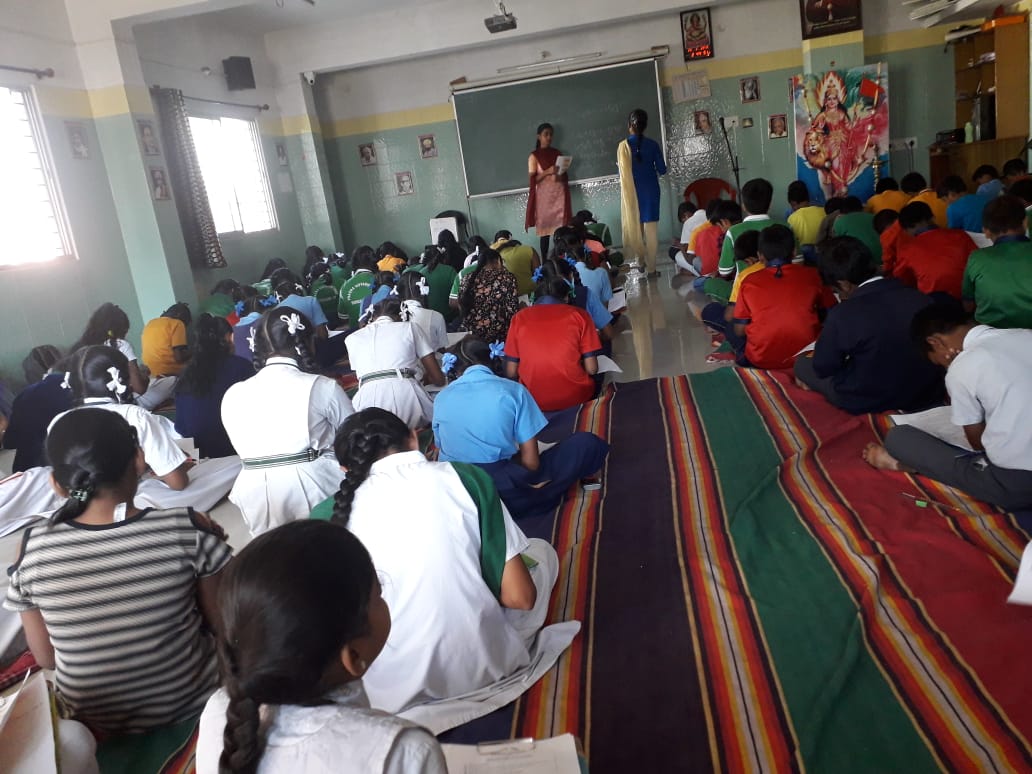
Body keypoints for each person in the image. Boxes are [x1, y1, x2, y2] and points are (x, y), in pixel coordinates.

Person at [327, 409, 576, 726]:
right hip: (482, 669)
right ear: (415, 438)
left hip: (384, 695)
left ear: (344, 469)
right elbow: (521, 597)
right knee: (541, 552)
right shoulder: (464, 477)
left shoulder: (327, 515)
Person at [4, 408, 231, 733]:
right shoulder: (185, 527)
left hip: (92, 717)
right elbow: (223, 625)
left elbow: (46, 659)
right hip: (192, 699)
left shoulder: (31, 548)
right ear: (139, 459)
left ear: (56, 483)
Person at [196, 520, 447, 774]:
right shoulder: (406, 752)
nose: (382, 598)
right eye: (378, 594)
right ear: (353, 656)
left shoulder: (218, 712)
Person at [863, 304, 1032, 511]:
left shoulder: (963, 367)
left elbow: (977, 443)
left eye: (939, 363)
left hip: (1020, 484)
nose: (945, 366)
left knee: (899, 438)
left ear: (935, 342)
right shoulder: (1025, 335)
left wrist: (955, 371)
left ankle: (912, 465)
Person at [433, 337, 610, 518]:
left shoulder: (441, 397)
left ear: (454, 368)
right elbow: (531, 464)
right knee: (586, 444)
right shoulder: (514, 391)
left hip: (455, 496)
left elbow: (442, 449)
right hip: (501, 496)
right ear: (493, 360)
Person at [222, 310, 354, 536]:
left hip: (254, 493)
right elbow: (352, 437)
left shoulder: (233, 393)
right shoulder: (322, 386)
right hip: (312, 485)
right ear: (307, 342)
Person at [794, 237, 943, 413]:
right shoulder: (921, 299)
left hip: (868, 399)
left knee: (803, 364)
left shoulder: (844, 314)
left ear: (844, 285)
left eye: (836, 291)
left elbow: (823, 367)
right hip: (925, 394)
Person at [731, 225, 835, 368]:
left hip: (761, 359)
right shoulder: (813, 275)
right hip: (807, 358)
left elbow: (739, 330)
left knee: (727, 324)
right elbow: (832, 315)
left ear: (760, 255)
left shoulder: (749, 281)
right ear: (794, 252)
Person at [504, 274, 603, 412]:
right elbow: (592, 369)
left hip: (533, 400)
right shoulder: (580, 315)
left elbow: (511, 372)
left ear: (534, 299)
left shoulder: (518, 318)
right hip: (576, 396)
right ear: (566, 297)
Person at [346, 297, 444, 428]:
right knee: (441, 406)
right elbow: (438, 379)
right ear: (401, 316)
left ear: (372, 317)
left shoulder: (352, 338)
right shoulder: (410, 327)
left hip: (365, 403)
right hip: (405, 397)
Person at [174, 314, 253, 459]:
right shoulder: (241, 367)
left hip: (200, 455)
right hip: (236, 451)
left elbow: (181, 427)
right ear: (230, 338)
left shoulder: (186, 374)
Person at [962, 195, 1032, 329]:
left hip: (992, 331)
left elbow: (968, 305)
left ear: (986, 232)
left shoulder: (976, 258)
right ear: (1025, 223)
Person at [1, 354, 75, 471]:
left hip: (31, 467)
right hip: (70, 464)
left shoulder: (26, 394)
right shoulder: (81, 393)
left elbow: (11, 442)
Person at [618, 109, 668, 277]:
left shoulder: (623, 146)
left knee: (636, 228)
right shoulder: (653, 145)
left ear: (629, 125)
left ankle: (639, 262)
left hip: (632, 193)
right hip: (651, 192)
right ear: (645, 126)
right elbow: (662, 170)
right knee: (651, 232)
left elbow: (622, 173)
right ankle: (652, 269)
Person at [893, 201, 976, 300]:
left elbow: (900, 279)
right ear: (933, 218)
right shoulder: (961, 235)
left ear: (908, 228)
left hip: (934, 302)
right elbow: (978, 263)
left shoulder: (908, 249)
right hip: (970, 298)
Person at [70, 302, 151, 404]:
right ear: (120, 330)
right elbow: (139, 388)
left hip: (85, 406)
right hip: (118, 404)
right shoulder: (120, 344)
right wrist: (144, 375)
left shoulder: (78, 348)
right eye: (125, 332)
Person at [700, 230, 761, 343]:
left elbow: (729, 316)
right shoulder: (789, 269)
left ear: (750, 261)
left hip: (758, 335)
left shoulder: (745, 276)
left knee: (711, 311)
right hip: (787, 329)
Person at [718, 178, 787, 279]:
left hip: (745, 284)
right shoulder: (786, 227)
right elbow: (798, 262)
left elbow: (724, 271)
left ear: (743, 206)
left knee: (705, 282)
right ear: (770, 204)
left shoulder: (733, 231)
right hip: (780, 282)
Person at [525, 123, 572, 258]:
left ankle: (562, 258)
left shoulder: (557, 153)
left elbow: (562, 174)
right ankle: (545, 261)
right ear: (538, 136)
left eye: (551, 134)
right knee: (545, 233)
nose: (549, 137)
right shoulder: (534, 156)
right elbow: (533, 180)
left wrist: (561, 172)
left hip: (559, 196)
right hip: (544, 199)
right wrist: (548, 172)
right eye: (546, 134)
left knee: (561, 231)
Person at [458, 247, 520, 344]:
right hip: (498, 337)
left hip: (472, 337)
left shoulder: (466, 278)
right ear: (498, 261)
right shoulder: (507, 277)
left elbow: (461, 304)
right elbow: (512, 310)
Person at [396, 271, 448, 354]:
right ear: (425, 290)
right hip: (432, 361)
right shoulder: (436, 316)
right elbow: (441, 349)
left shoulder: (394, 316)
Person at [407, 242, 458, 321]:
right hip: (448, 316)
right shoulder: (450, 270)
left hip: (428, 316)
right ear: (443, 257)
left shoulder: (420, 273)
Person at [141, 302, 191, 378]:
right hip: (169, 373)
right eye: (186, 323)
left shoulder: (150, 323)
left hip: (151, 374)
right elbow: (179, 357)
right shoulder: (177, 323)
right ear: (179, 315)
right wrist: (196, 350)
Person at [832, 196, 882, 264]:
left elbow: (836, 243)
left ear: (842, 210)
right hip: (881, 259)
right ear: (861, 207)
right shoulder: (874, 217)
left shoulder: (840, 221)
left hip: (858, 263)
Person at [492, 230, 541, 297]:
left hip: (507, 297)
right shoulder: (528, 250)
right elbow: (538, 274)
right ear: (511, 239)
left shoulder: (493, 258)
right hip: (531, 294)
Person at [786, 180, 826, 259]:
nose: (794, 208)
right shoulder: (823, 210)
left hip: (803, 254)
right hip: (822, 252)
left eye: (793, 205)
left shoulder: (792, 216)